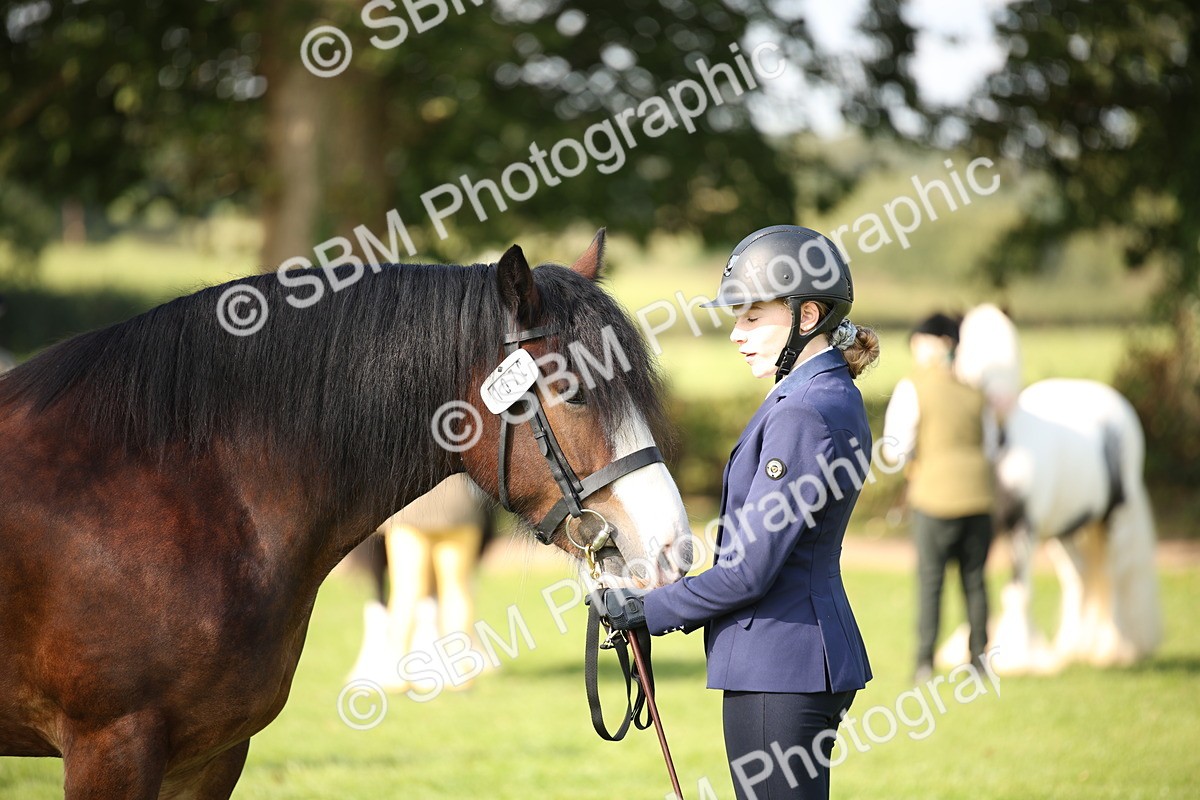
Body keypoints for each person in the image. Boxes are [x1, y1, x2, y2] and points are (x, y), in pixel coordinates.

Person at [593, 225, 879, 800]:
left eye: (753, 317)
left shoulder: (802, 410)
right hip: (791, 658)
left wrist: (647, 609)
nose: (737, 334)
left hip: (781, 664)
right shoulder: (827, 394)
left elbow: (750, 571)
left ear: (806, 316)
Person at [880, 312, 996, 684]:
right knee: (975, 581)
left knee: (931, 581)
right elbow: (991, 446)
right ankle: (979, 662)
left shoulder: (913, 387)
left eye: (921, 342)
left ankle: (924, 663)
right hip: (979, 496)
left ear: (943, 343)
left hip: (934, 497)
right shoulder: (975, 389)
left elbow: (895, 450)